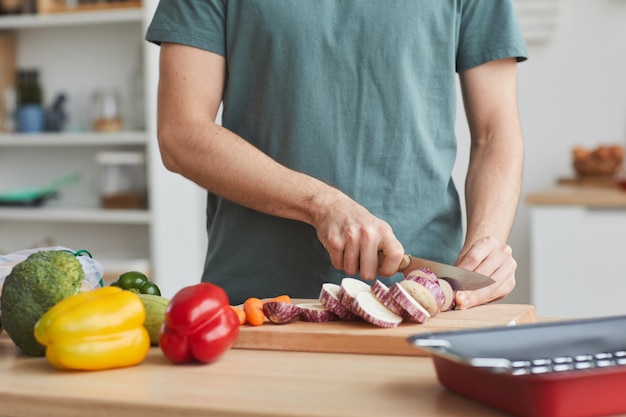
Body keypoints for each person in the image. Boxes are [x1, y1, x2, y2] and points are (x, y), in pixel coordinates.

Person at [145, 1, 528, 308]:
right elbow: (181, 133)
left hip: (424, 300)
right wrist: (322, 204)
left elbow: (495, 134)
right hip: (256, 303)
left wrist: (486, 246)